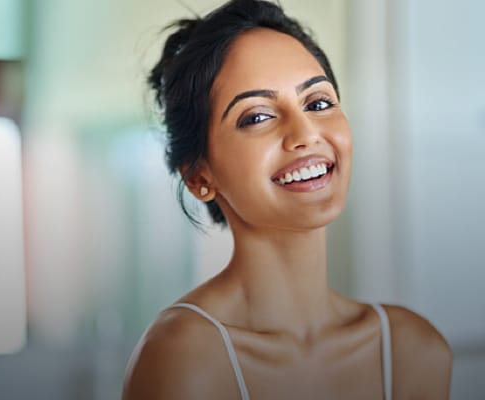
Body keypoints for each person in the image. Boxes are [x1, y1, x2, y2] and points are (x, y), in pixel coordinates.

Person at [122, 0, 452, 398]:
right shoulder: (184, 358)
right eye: (257, 116)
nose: (306, 133)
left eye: (318, 103)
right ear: (199, 176)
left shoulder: (412, 351)